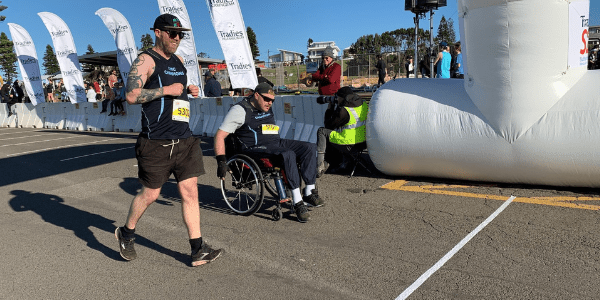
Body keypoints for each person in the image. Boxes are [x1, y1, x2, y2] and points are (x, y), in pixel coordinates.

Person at [115, 13, 222, 267]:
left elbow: (178, 92)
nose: (177, 38)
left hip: (184, 139)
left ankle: (197, 249)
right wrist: (166, 90)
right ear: (158, 33)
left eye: (180, 34)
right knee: (151, 194)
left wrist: (188, 91)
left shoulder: (179, 60)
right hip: (156, 142)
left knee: (190, 191)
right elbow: (131, 96)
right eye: (172, 33)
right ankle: (126, 234)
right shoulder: (145, 60)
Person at [214, 83, 324, 223]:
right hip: (255, 148)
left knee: (309, 147)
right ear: (256, 95)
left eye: (272, 100)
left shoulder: (265, 106)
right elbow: (219, 135)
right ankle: (297, 202)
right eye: (266, 99)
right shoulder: (239, 110)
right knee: (287, 154)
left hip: (275, 143)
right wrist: (221, 161)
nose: (269, 103)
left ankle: (309, 192)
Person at [316, 86, 368, 177]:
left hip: (349, 144)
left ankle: (320, 165)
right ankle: (345, 161)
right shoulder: (363, 104)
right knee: (340, 132)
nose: (336, 99)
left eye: (338, 97)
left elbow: (328, 125)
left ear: (342, 98)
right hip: (363, 143)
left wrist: (330, 108)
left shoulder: (344, 110)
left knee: (322, 131)